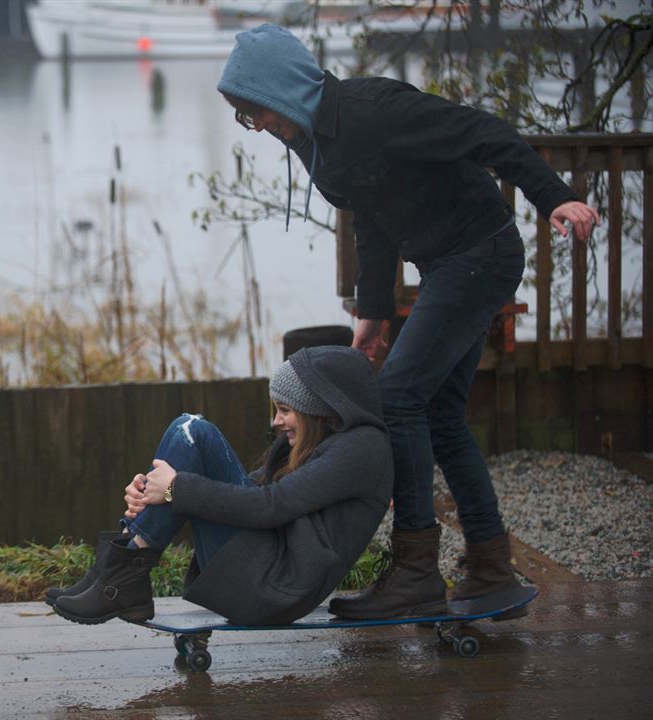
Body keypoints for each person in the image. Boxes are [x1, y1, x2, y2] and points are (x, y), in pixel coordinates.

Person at [216, 24, 602, 619]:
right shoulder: (316, 138)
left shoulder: (375, 111)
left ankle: (417, 571)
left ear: (285, 87)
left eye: (257, 110)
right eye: (246, 118)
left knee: (397, 397)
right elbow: (370, 219)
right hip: (451, 262)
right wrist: (372, 314)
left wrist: (553, 198)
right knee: (440, 412)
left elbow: (485, 134)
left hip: (480, 254)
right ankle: (491, 566)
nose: (258, 126)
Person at [46, 345, 393, 626]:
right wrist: (156, 490)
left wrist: (174, 488)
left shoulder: (361, 449)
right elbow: (254, 492)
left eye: (285, 409)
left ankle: (119, 579)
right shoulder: (330, 445)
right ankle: (110, 574)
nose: (276, 421)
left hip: (273, 589)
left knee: (193, 430)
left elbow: (269, 506)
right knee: (188, 436)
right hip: (266, 574)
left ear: (317, 408)